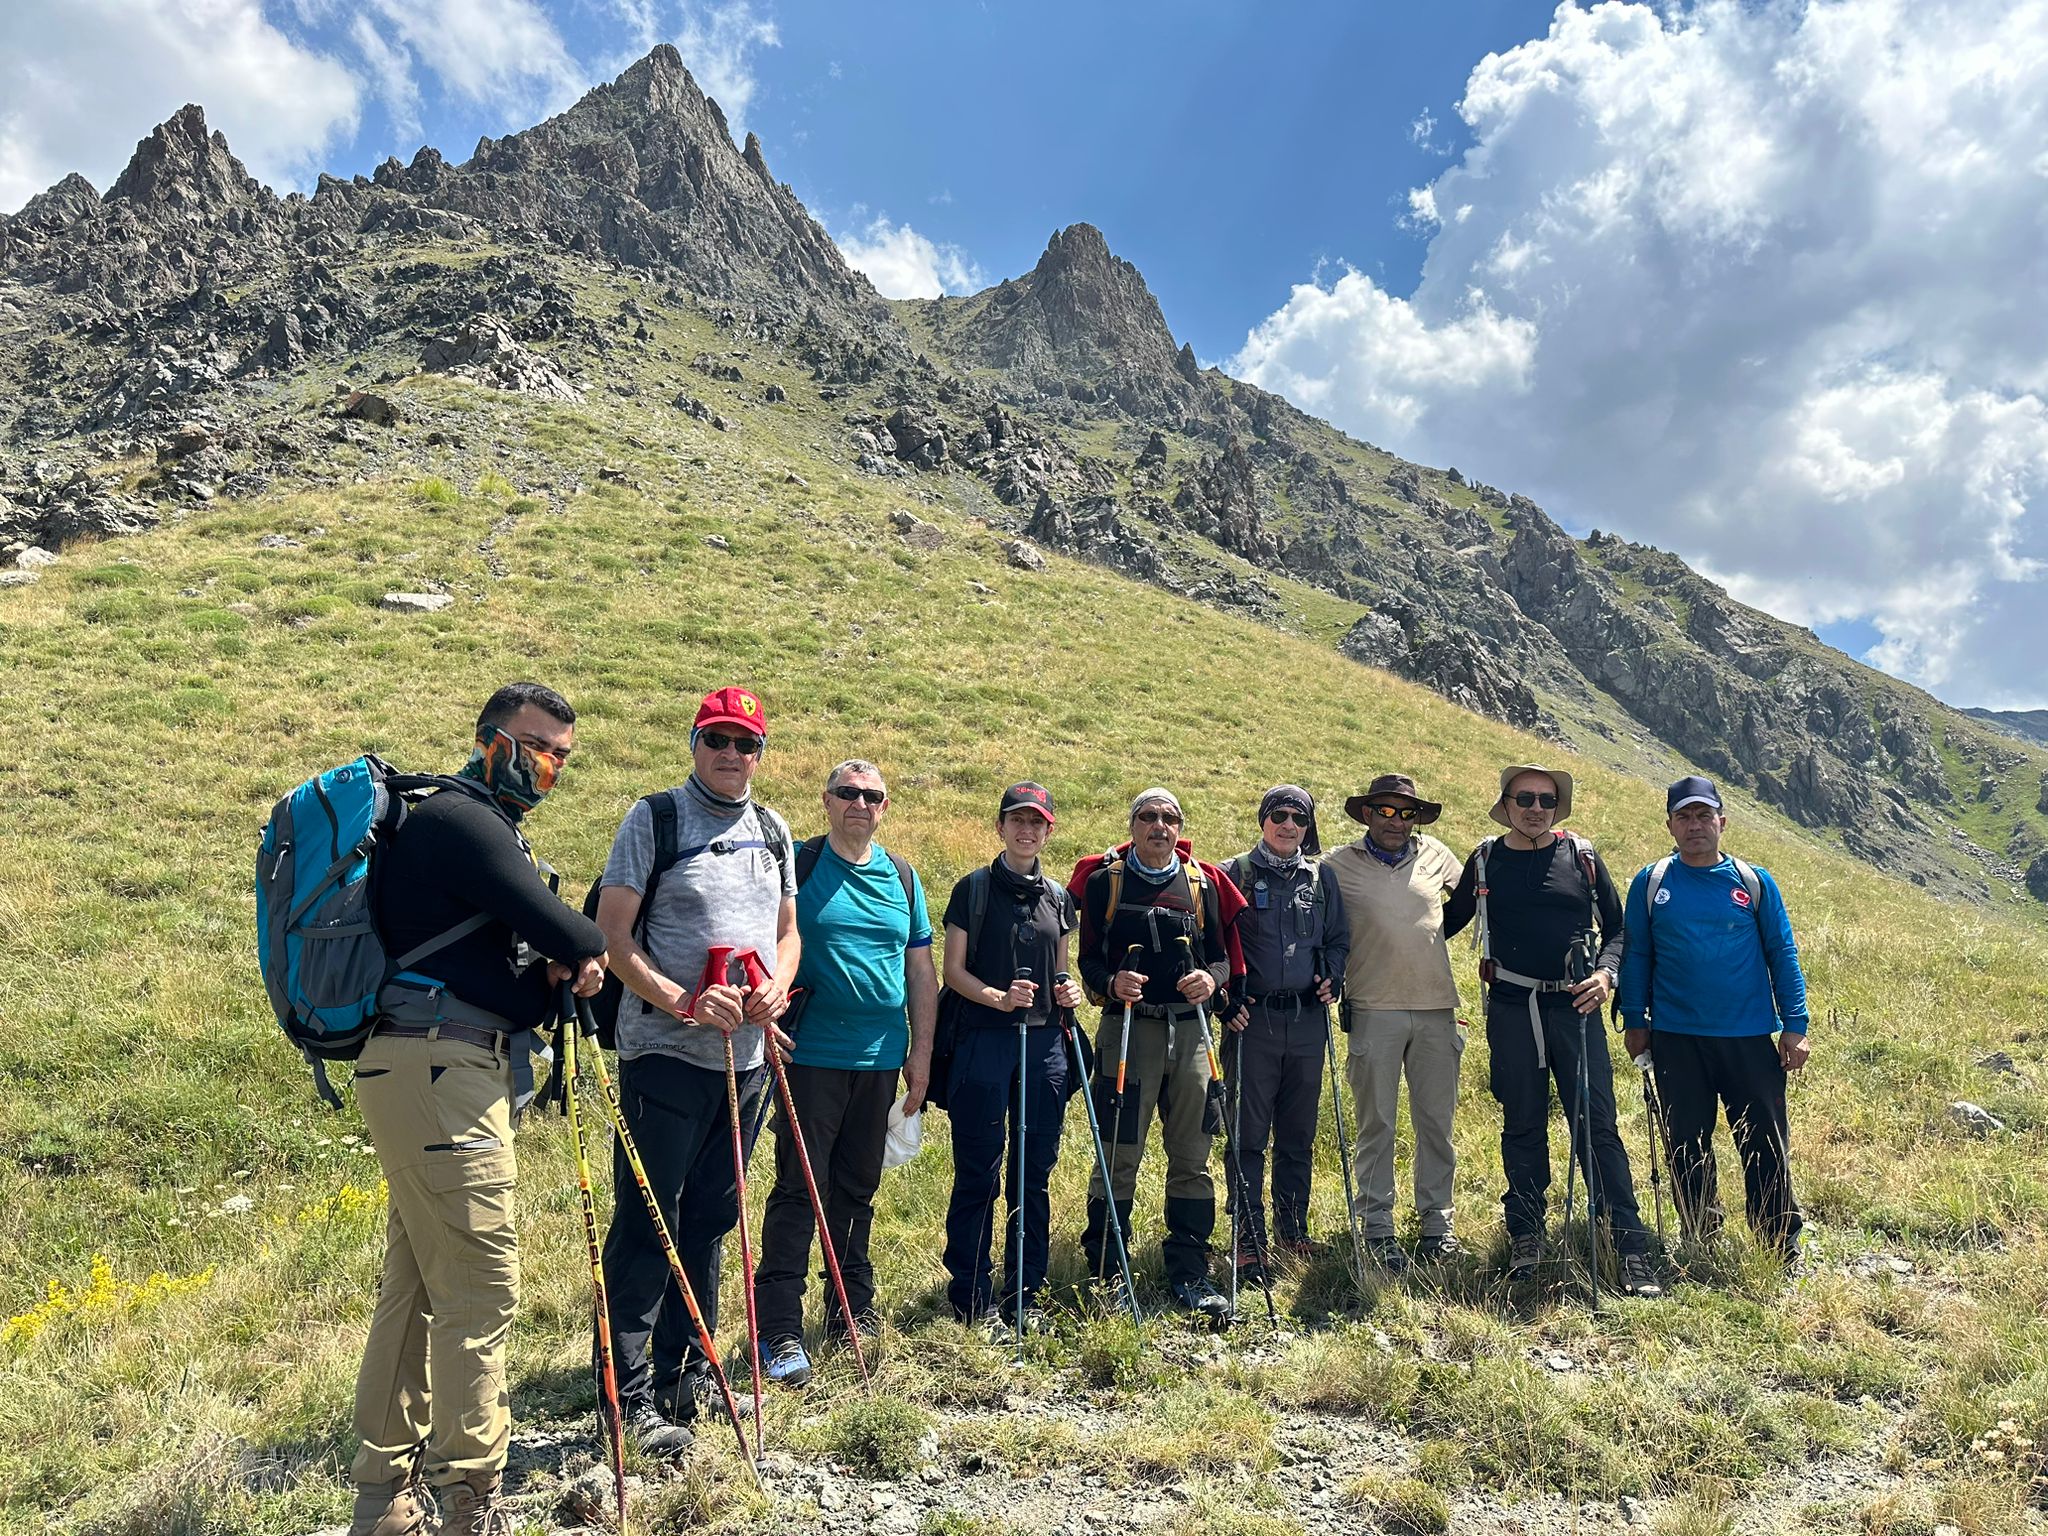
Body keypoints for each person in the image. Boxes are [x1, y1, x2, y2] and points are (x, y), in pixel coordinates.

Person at [350, 683, 608, 1536]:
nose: (548, 766)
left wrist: (552, 976)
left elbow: (516, 991)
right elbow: (576, 934)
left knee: (419, 1283)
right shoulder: (462, 822)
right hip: (439, 1072)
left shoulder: (457, 827)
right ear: (490, 737)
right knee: (481, 1288)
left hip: (426, 1066)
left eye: (563, 755)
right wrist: (576, 956)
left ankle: (384, 1501)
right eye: (537, 746)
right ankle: (470, 1501)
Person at [591, 686, 799, 1455]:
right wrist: (682, 1001)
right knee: (650, 1223)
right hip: (665, 1057)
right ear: (693, 743)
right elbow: (613, 935)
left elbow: (788, 932)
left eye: (746, 743)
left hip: (744, 1062)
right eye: (717, 738)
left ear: (760, 755)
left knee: (711, 1221)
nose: (731, 754)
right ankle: (628, 1394)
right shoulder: (656, 819)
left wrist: (778, 981)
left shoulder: (774, 829)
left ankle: (690, 1371)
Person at [1443, 765, 1661, 1295]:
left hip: (1576, 1006)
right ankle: (1525, 1231)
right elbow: (1444, 923)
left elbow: (1619, 929)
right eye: (1525, 798)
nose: (1535, 807)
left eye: (1546, 799)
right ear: (1507, 803)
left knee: (1597, 1122)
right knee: (1522, 1119)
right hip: (1513, 1006)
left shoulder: (1580, 856)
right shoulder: (1486, 859)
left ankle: (1628, 1241)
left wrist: (1606, 975)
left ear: (1556, 806)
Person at [755, 760, 938, 1387]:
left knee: (858, 1187)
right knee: (799, 1189)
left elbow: (921, 974)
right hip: (808, 1057)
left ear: (884, 806)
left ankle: (850, 1311)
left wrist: (921, 1055)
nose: (860, 803)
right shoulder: (799, 868)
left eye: (872, 795)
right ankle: (777, 1327)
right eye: (847, 793)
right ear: (826, 802)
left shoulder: (903, 876)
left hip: (881, 1058)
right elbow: (763, 942)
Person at [1618, 776, 1811, 1270]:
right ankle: (1700, 1232)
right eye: (1684, 816)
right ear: (1670, 825)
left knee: (1764, 1140)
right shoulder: (1652, 881)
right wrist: (1635, 1020)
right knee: (1686, 1139)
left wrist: (1796, 1024)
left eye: (1704, 816)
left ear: (1722, 823)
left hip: (1748, 1036)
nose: (1695, 825)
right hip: (1677, 1037)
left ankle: (1777, 1240)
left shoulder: (1753, 881)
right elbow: (1637, 953)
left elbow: (1782, 953)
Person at [1070, 788, 1247, 1326]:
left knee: (1193, 1154)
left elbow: (1220, 955)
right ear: (1133, 825)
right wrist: (1111, 981)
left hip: (1191, 1034)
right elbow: (1088, 963)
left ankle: (1191, 1272)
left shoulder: (1201, 885)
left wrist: (1211, 980)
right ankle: (1107, 1272)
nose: (1159, 826)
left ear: (1179, 827)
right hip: (1128, 1032)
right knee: (1118, 1152)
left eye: (1169, 818)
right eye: (1148, 817)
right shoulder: (1107, 881)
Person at [939, 782, 1083, 1328]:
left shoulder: (1058, 899)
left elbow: (1061, 967)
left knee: (1034, 1171)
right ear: (1000, 827)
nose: (1027, 830)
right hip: (984, 1040)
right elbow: (953, 971)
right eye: (1017, 821)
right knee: (979, 1167)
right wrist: (997, 998)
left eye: (1037, 822)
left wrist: (1066, 991)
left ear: (1049, 830)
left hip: (1045, 1043)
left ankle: (1025, 1291)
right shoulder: (972, 889)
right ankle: (971, 1293)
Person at [1321, 773, 1464, 1271]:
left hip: (1436, 1009)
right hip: (1372, 1007)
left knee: (1436, 1123)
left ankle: (1437, 1227)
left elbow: (1471, 898)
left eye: (1406, 813)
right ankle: (1377, 1226)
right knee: (1376, 1122)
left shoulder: (1436, 855)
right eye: (1385, 811)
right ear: (1366, 814)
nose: (1396, 821)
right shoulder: (1336, 864)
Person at [1217, 786, 1349, 1280]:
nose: (1289, 824)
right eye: (1279, 815)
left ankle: (1292, 1232)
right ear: (1263, 820)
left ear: (1308, 826)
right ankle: (1248, 1239)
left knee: (1298, 1134)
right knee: (1248, 1135)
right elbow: (1216, 939)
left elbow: (1338, 939)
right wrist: (1225, 1000)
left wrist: (1333, 974)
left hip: (1308, 1021)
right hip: (1253, 1022)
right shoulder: (1235, 874)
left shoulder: (1323, 878)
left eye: (1299, 817)